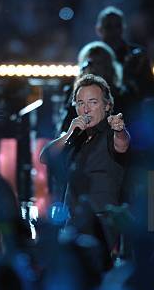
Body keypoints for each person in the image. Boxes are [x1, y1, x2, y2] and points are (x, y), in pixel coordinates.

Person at [41, 74, 129, 269]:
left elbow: (122, 143)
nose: (85, 108)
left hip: (102, 219)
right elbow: (45, 157)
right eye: (80, 103)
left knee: (93, 269)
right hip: (73, 217)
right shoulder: (76, 137)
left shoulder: (110, 132)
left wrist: (120, 130)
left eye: (92, 102)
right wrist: (70, 133)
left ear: (107, 106)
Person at [95, 6, 154, 99]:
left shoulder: (138, 55)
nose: (114, 31)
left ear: (123, 28)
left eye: (117, 26)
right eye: (108, 26)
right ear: (99, 29)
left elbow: (150, 90)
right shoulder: (92, 54)